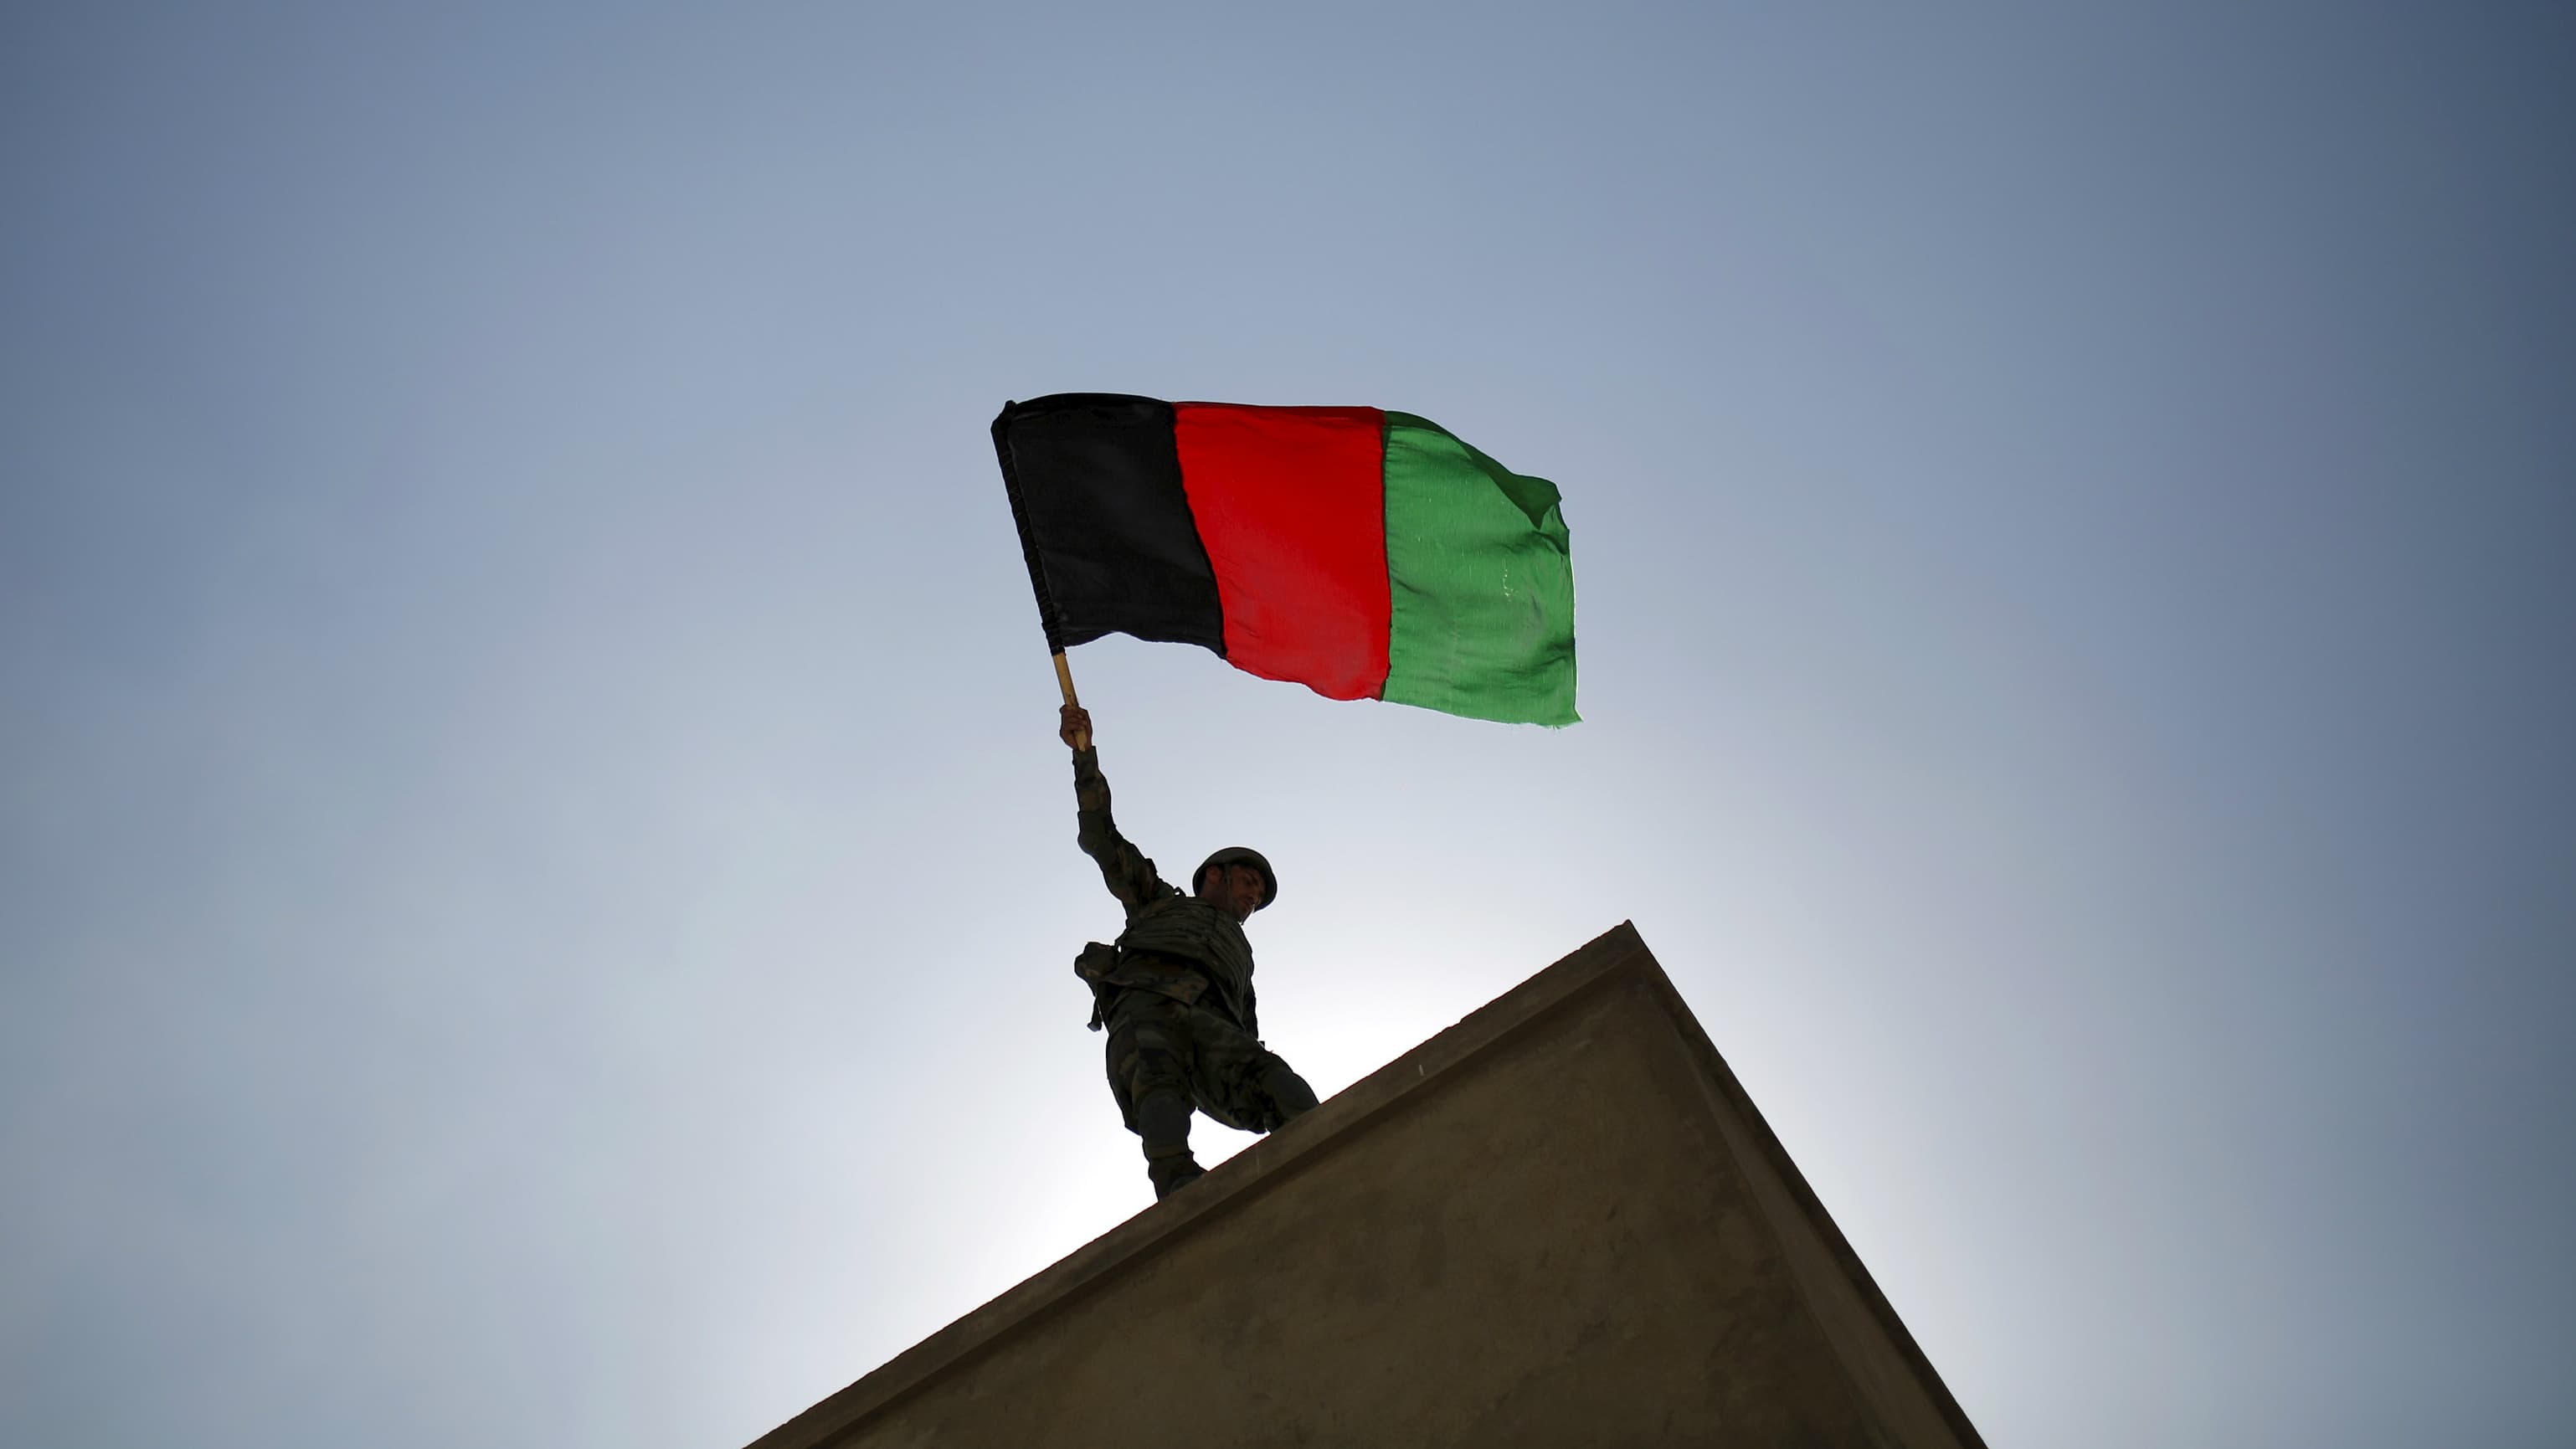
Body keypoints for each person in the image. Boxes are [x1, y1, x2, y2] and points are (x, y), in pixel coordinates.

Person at [1059, 703, 1319, 1199]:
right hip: (1146, 999)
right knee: (1160, 1088)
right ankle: (1176, 1182)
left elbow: (1247, 1024)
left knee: (1271, 1079)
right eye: (1247, 882)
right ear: (1215, 877)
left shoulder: (1241, 955)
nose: (1252, 897)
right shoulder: (1156, 900)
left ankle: (1328, 1146)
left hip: (1211, 1018)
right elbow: (1100, 837)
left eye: (1259, 895)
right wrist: (1084, 756)